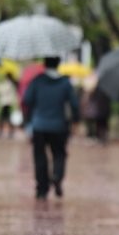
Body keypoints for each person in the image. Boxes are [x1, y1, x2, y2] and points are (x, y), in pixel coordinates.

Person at [23, 56, 79, 199]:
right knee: (59, 154)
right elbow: (74, 104)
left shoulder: (37, 80)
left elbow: (27, 100)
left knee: (40, 156)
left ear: (44, 64)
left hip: (39, 125)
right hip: (59, 125)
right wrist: (76, 121)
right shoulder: (65, 82)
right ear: (58, 64)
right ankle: (57, 176)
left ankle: (42, 189)